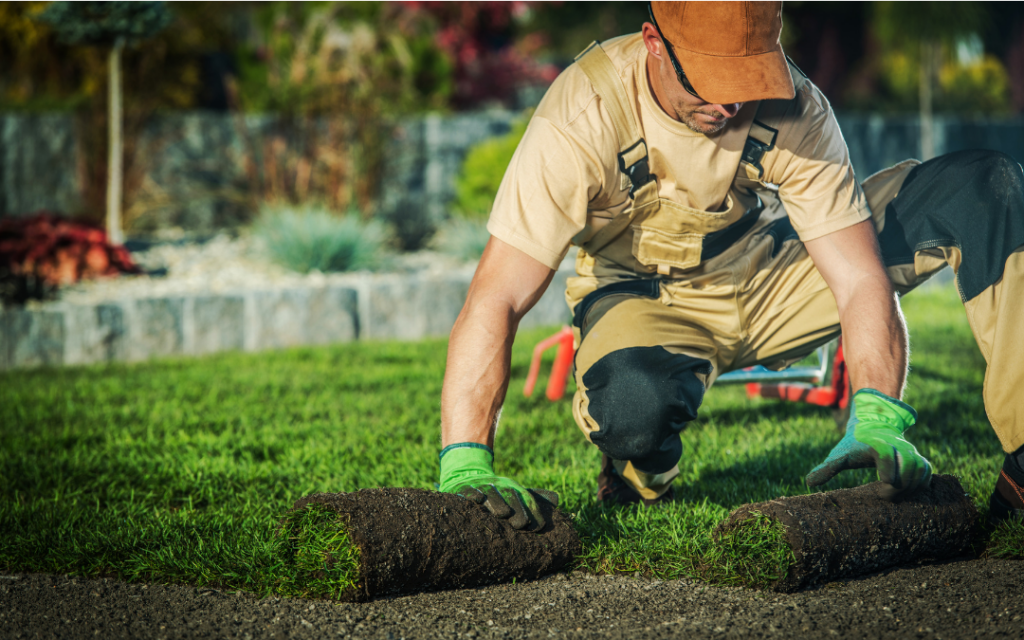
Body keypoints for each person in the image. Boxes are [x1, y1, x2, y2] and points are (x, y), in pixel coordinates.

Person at [436, 1, 1024, 531]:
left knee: (983, 186)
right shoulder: (582, 113)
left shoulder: (798, 107)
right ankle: (641, 470)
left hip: (770, 270)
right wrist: (465, 458)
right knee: (634, 410)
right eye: (711, 82)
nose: (727, 104)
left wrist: (875, 413)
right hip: (647, 297)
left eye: (745, 81)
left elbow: (857, 277)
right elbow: (499, 296)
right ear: (653, 42)